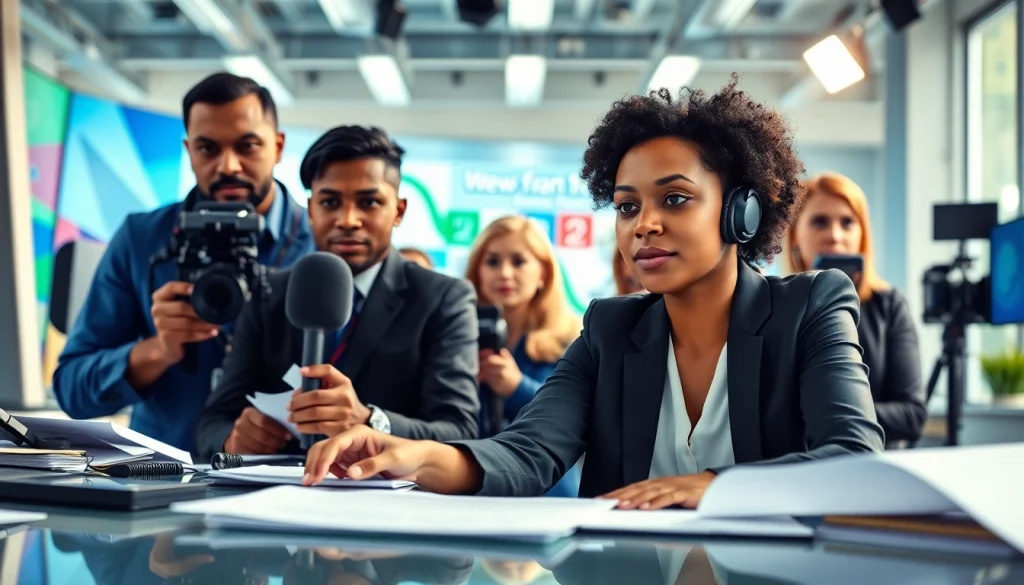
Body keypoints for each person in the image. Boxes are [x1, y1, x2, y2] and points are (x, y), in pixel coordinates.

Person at [302, 77, 885, 509]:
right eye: (628, 206)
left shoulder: (811, 306)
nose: (643, 224)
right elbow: (528, 453)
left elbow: (853, 461)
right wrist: (406, 453)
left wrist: (712, 486)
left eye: (674, 199)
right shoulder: (611, 327)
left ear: (741, 210)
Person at [52, 73, 314, 452]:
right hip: (160, 473)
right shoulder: (142, 240)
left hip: (286, 478)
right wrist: (156, 350)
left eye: (248, 146)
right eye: (208, 149)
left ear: (277, 146)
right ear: (188, 151)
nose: (229, 166)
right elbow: (72, 390)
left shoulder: (319, 245)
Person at [194, 125, 480, 459]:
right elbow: (212, 422)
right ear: (311, 210)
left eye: (369, 202)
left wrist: (369, 421)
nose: (348, 220)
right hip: (276, 496)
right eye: (330, 202)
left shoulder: (445, 299)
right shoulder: (268, 293)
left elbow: (460, 431)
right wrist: (234, 441)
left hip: (388, 503)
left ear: (398, 211)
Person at [784, 171, 925, 448]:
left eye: (847, 223)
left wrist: (832, 412)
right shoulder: (774, 307)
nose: (835, 236)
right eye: (819, 222)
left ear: (862, 235)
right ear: (795, 235)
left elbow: (913, 415)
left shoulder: (890, 306)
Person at [465, 215, 582, 496]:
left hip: (550, 498)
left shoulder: (574, 337)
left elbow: (579, 420)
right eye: (492, 261)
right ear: (477, 271)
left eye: (518, 261)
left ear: (544, 273)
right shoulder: (457, 339)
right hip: (475, 494)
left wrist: (516, 387)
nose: (504, 273)